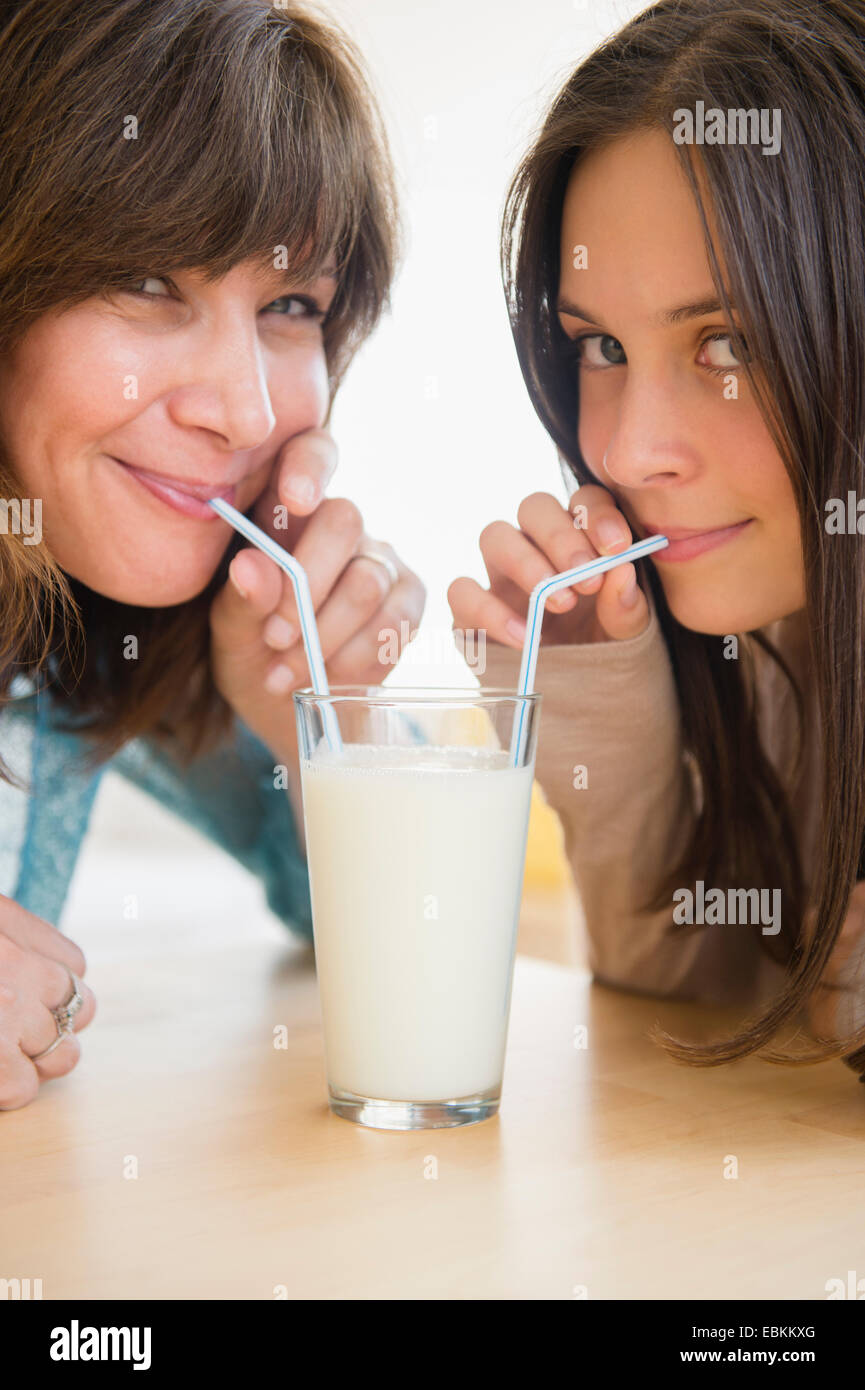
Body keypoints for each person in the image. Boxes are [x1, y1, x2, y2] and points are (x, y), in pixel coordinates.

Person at [0, 0, 423, 1110]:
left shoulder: (80, 625)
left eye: (290, 304)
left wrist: (310, 710)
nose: (242, 412)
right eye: (148, 280)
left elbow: (406, 938)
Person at [449, 0, 865, 1081]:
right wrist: (601, 718)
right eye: (598, 346)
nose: (629, 452)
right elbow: (682, 1002)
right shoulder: (780, 646)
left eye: (725, 339)